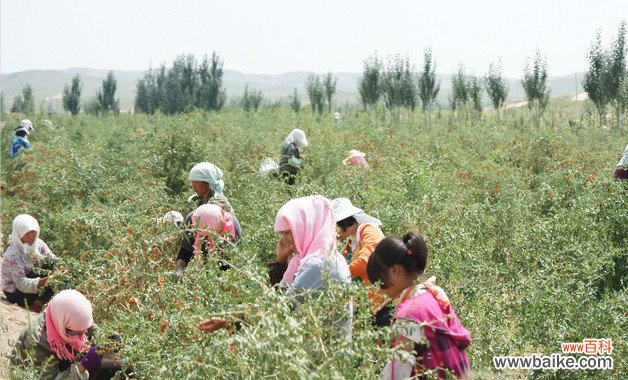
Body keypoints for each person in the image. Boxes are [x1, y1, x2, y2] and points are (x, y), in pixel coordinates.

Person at [196, 195, 352, 339]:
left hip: (320, 362)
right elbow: (279, 298)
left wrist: (227, 322)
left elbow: (279, 310)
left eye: (287, 233)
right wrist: (281, 261)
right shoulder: (328, 258)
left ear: (306, 227)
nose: (283, 240)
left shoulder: (319, 265)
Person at [367, 233, 471, 379]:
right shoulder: (434, 294)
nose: (381, 290)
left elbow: (396, 373)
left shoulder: (408, 315)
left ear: (395, 271)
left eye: (380, 283)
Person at [11, 289, 131, 379]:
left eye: (83, 331)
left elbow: (91, 329)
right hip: (43, 375)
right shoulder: (37, 340)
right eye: (76, 333)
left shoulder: (66, 314)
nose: (81, 336)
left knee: (125, 367)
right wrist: (83, 366)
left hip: (69, 365)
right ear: (64, 325)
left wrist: (107, 340)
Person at [175, 162, 242, 272]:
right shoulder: (203, 198)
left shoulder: (217, 205)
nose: (193, 187)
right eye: (192, 183)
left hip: (222, 245)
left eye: (196, 183)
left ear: (207, 183)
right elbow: (188, 242)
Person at [2, 214, 64, 312]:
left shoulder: (39, 244)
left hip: (31, 278)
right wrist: (48, 280)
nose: (32, 236)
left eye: (33, 232)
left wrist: (63, 268)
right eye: (27, 232)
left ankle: (40, 301)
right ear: (19, 233)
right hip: (16, 292)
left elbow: (53, 260)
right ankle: (37, 303)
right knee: (52, 279)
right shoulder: (13, 254)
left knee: (52, 266)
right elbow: (21, 284)